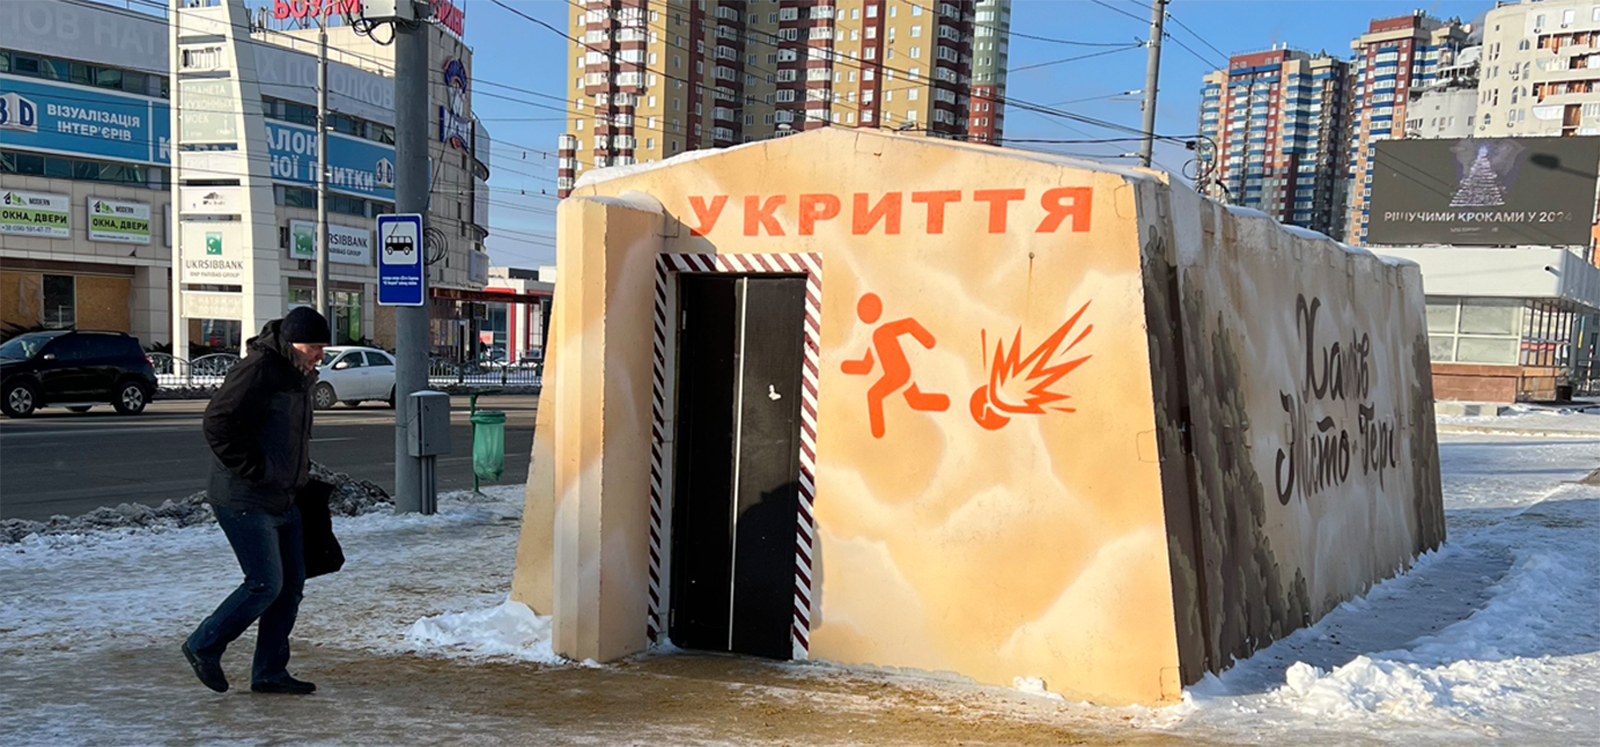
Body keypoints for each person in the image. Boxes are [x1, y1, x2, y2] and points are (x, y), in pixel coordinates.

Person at [182, 307, 329, 695]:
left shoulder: (299, 375)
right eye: (314, 347)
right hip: (244, 496)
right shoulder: (259, 369)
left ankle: (269, 672)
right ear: (292, 342)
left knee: (290, 586)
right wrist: (257, 469)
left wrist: (296, 476)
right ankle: (203, 645)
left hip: (284, 497)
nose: (320, 355)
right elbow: (217, 422)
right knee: (265, 583)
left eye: (322, 347)